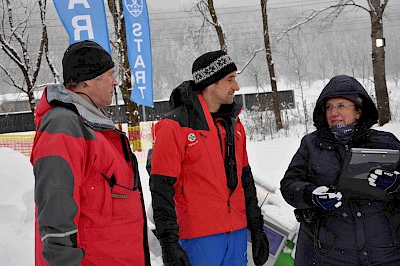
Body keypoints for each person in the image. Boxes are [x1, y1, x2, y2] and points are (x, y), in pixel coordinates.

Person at [30, 40, 150, 265]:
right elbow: (56, 208)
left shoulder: (91, 124)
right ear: (86, 82)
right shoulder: (63, 125)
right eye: (110, 74)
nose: (115, 82)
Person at [149, 50, 270, 266]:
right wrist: (169, 243)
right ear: (210, 84)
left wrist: (257, 227)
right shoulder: (174, 126)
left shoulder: (234, 124)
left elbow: (246, 180)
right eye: (229, 80)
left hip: (237, 234)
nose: (237, 87)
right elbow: (161, 189)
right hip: (197, 238)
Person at [280, 74, 400, 265]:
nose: (333, 113)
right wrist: (311, 195)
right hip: (331, 256)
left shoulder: (385, 142)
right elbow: (289, 185)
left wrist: (396, 184)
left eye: (341, 106)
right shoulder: (311, 145)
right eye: (329, 107)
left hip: (386, 255)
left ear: (358, 111)